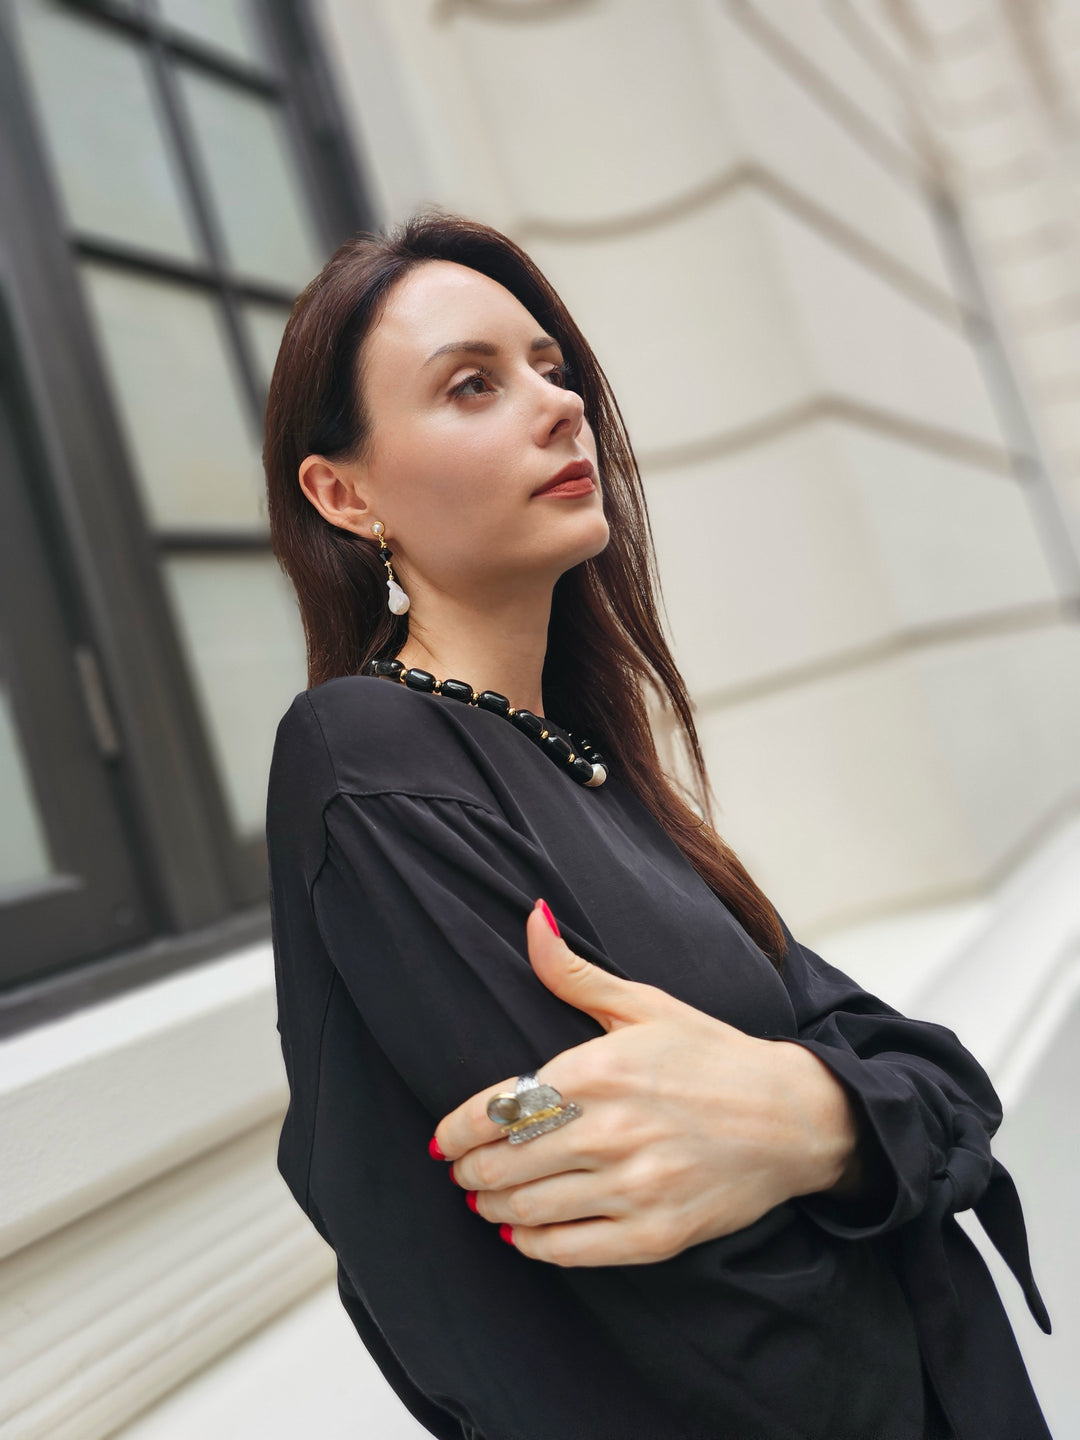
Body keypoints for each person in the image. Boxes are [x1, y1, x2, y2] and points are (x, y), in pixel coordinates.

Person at [263, 210, 1053, 1440]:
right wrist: (854, 1130)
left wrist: (812, 1121)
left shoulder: (602, 775)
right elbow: (682, 1285)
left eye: (551, 367)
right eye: (472, 384)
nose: (557, 404)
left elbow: (939, 1079)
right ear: (344, 493)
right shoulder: (367, 758)